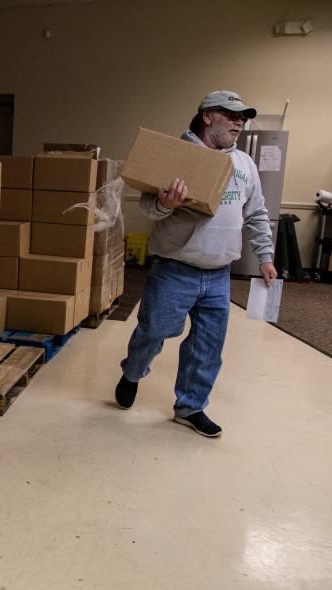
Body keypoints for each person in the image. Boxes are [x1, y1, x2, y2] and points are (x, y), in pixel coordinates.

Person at [115, 90, 277, 438]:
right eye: (231, 115)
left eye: (243, 117)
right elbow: (147, 208)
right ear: (207, 116)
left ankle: (190, 406)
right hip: (176, 269)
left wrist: (266, 256)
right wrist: (166, 204)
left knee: (208, 346)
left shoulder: (245, 165)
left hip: (220, 274)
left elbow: (257, 213)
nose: (240, 123)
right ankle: (132, 372)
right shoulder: (178, 156)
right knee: (153, 332)